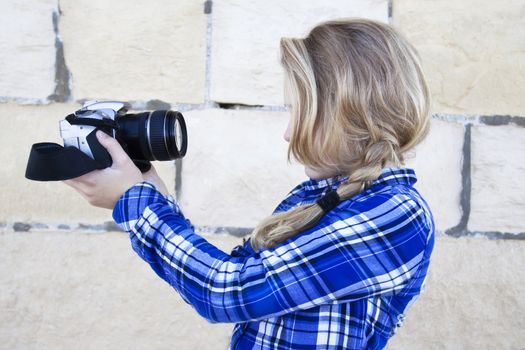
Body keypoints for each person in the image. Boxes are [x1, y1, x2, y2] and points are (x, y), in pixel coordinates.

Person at [65, 18, 435, 350]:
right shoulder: (328, 197)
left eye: (298, 112)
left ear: (348, 113)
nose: (288, 133)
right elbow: (237, 276)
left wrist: (136, 204)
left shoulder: (398, 214)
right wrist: (150, 190)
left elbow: (226, 292)